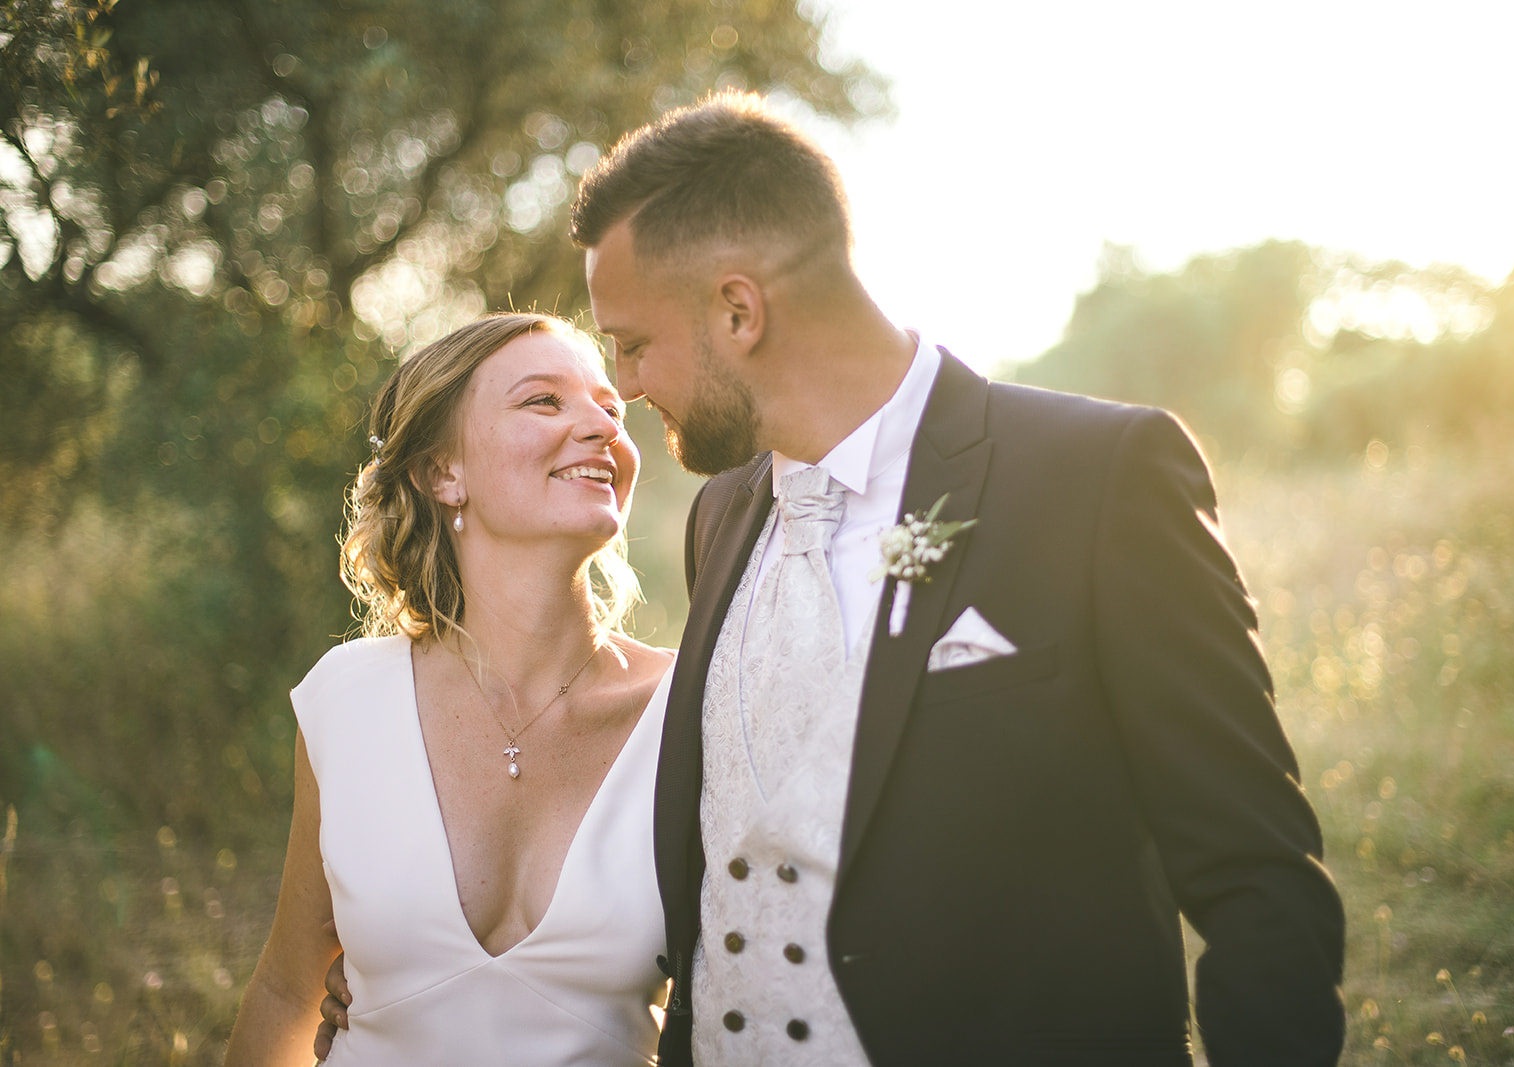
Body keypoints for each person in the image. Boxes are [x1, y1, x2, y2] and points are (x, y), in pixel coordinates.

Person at [319, 93, 1346, 1064]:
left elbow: (1258, 879)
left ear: (738, 311)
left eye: (631, 346)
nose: (624, 389)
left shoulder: (1093, 479)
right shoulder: (723, 517)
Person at [227, 312, 673, 1065]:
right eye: (544, 401)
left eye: (610, 407)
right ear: (444, 473)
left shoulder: (688, 706)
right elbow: (286, 989)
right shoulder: (348, 702)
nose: (601, 425)